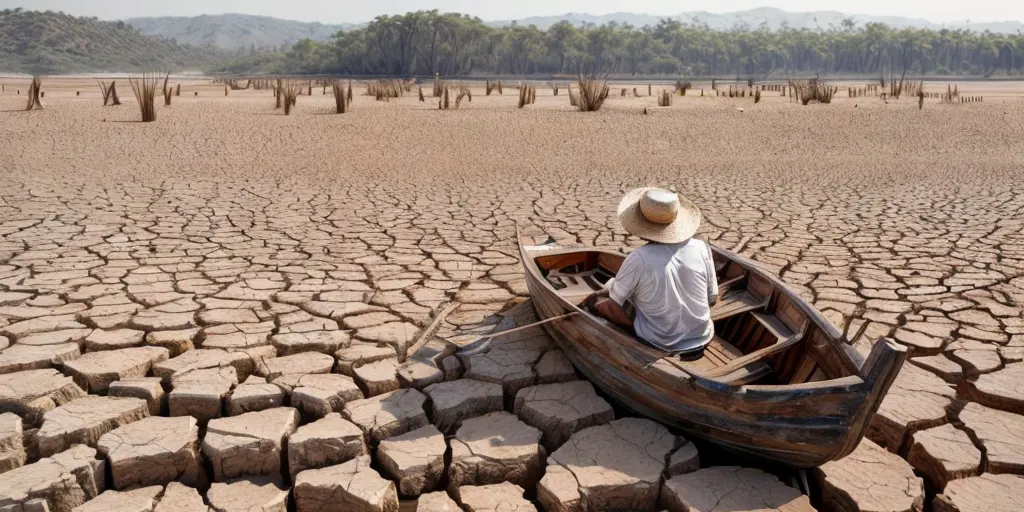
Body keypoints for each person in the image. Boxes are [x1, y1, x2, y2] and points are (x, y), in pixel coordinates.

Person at [587, 188, 718, 358]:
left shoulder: (639, 258)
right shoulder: (701, 246)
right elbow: (712, 298)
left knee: (603, 304)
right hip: (703, 335)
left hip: (660, 341)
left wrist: (630, 327)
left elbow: (612, 308)